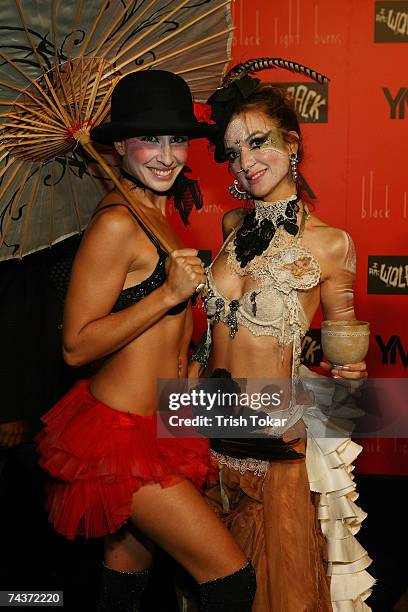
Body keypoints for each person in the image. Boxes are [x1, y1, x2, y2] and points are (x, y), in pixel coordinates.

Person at [36, 70, 256, 612]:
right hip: (119, 440)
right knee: (231, 581)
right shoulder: (115, 222)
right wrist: (164, 296)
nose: (165, 155)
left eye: (175, 139)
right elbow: (75, 346)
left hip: (163, 425)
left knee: (127, 582)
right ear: (117, 145)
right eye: (149, 139)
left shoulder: (157, 215)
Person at [190, 59, 375, 611]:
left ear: (292, 143)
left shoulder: (331, 244)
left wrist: (348, 376)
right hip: (205, 425)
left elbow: (346, 361)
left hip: (274, 438)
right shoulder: (228, 228)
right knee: (208, 586)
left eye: (258, 142)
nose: (246, 163)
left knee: (275, 592)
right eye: (233, 151)